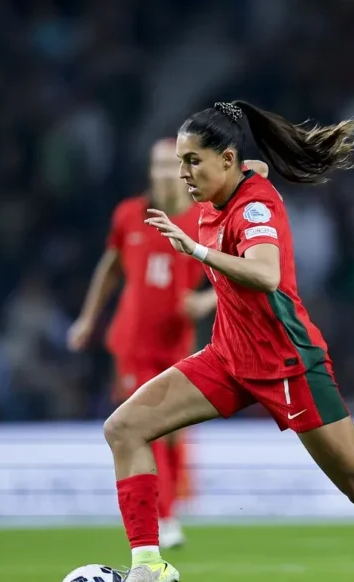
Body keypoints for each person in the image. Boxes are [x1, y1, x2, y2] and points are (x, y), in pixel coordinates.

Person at [102, 100, 354, 582]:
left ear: (228, 159)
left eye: (193, 161)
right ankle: (148, 565)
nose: (183, 173)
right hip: (228, 358)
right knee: (124, 428)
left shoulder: (254, 207)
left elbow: (266, 274)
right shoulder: (227, 184)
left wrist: (198, 252)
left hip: (288, 365)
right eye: (180, 161)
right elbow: (253, 167)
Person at [68, 139, 229, 549]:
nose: (163, 173)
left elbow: (234, 271)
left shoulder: (203, 219)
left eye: (172, 165)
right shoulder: (128, 215)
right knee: (147, 427)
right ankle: (166, 518)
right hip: (132, 344)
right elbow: (110, 267)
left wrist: (206, 300)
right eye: (156, 164)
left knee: (174, 433)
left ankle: (170, 508)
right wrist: (88, 318)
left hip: (177, 342)